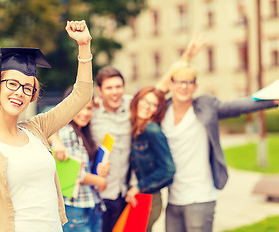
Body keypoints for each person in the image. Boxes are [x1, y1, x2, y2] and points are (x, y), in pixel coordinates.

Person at [0, 20, 93, 232]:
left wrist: (84, 44)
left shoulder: (38, 128)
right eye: (12, 84)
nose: (19, 92)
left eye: (27, 88)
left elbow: (82, 95)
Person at [159, 35, 279, 232]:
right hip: (173, 198)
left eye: (189, 82)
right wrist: (187, 55)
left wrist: (272, 99)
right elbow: (151, 93)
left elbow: (238, 105)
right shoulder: (162, 111)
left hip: (201, 195)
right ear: (171, 85)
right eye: (179, 82)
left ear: (195, 86)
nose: (184, 86)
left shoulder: (205, 105)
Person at [53, 87, 109, 232]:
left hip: (91, 206)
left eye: (89, 108)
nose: (85, 113)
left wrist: (102, 170)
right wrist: (100, 181)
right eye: (80, 108)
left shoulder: (84, 132)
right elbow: (72, 172)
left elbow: (86, 167)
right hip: (75, 209)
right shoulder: (66, 132)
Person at [88, 66, 134, 232]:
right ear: (100, 90)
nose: (115, 92)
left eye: (118, 87)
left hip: (124, 193)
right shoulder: (90, 111)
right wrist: (56, 142)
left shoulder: (132, 105)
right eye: (109, 88)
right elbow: (57, 123)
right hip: (100, 195)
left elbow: (157, 92)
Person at [124, 86, 176, 232]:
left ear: (158, 110)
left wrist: (139, 186)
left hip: (147, 199)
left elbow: (169, 170)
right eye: (145, 101)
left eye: (153, 105)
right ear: (137, 100)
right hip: (134, 196)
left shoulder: (152, 130)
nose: (147, 107)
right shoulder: (134, 127)